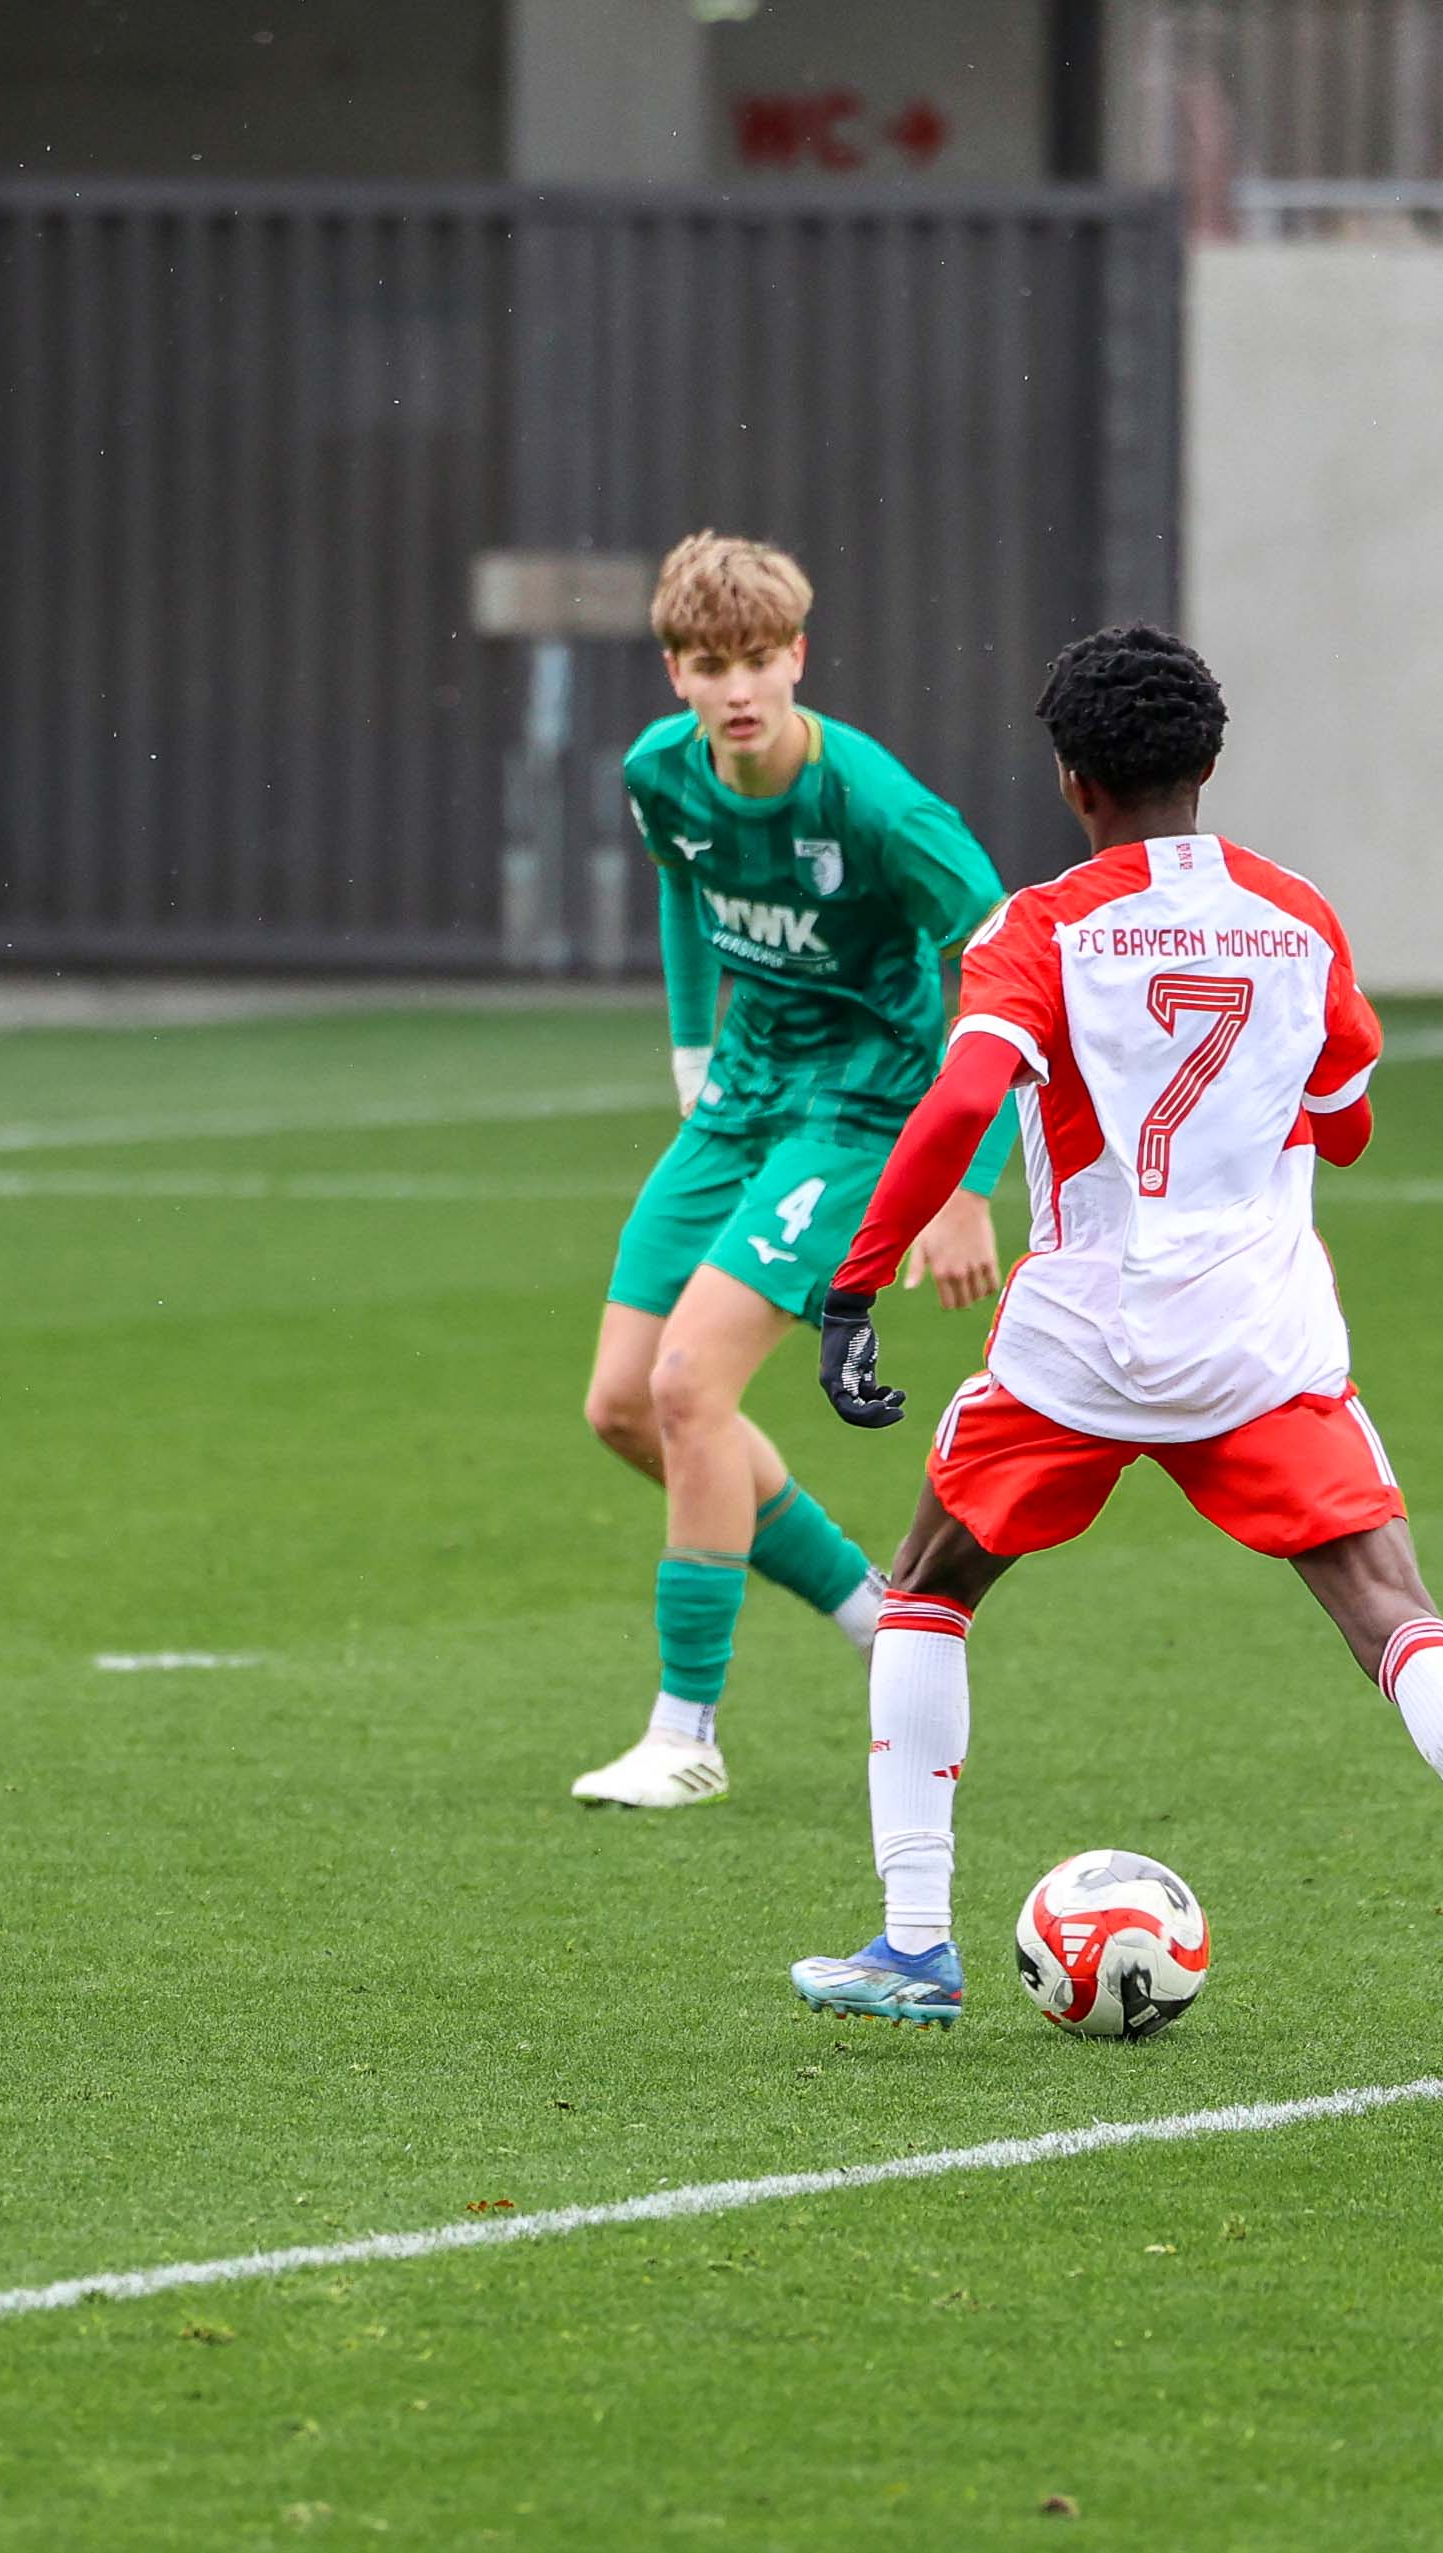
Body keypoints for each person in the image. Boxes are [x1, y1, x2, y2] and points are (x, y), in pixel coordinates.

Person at [779, 624, 1443, 2092]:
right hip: (1257, 1335)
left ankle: (913, 1947)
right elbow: (1347, 1113)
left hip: (1078, 1340)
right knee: (1388, 1609)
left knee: (925, 1588)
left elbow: (960, 1101)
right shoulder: (1296, 916)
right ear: (1207, 766)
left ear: (1068, 780)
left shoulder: (1038, 927)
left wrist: (853, 1285)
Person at [566, 531, 1018, 1812]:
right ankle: (877, 1614)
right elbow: (683, 886)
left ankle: (685, 1733)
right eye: (713, 664)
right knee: (622, 1408)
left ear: (799, 655)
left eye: (762, 658)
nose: (740, 688)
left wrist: (966, 1179)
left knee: (688, 1384)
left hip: (860, 1115)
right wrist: (692, 1057)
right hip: (741, 1105)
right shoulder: (662, 775)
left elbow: (999, 963)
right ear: (676, 673)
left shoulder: (875, 806)